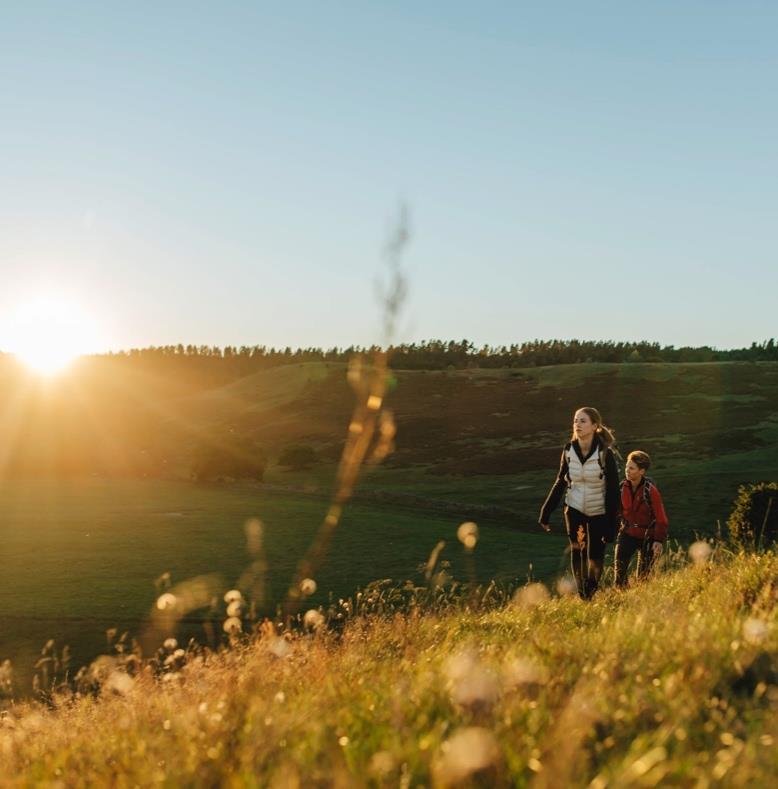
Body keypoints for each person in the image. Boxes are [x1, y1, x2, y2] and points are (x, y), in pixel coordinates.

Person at [539, 407, 620, 599]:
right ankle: (584, 595)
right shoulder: (568, 450)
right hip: (574, 509)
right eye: (575, 420)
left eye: (583, 421)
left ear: (594, 426)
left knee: (595, 555)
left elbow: (613, 490)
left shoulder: (604, 454)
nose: (577, 424)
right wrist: (546, 511)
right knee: (578, 551)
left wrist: (611, 523)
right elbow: (561, 481)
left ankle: (592, 589)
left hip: (598, 510)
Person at [614, 450, 669, 587]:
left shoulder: (651, 491)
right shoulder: (621, 488)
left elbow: (661, 518)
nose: (627, 470)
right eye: (627, 467)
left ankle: (641, 602)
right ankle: (619, 599)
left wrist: (658, 540)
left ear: (642, 471)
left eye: (631, 468)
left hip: (648, 537)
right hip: (627, 534)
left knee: (644, 578)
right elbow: (616, 513)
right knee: (619, 574)